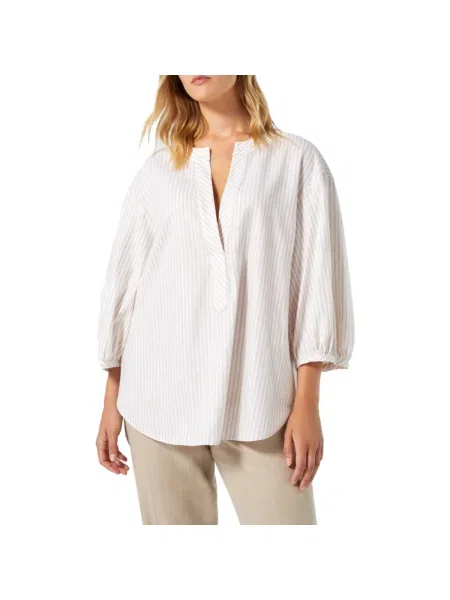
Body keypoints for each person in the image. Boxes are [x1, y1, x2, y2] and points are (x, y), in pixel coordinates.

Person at [95, 75, 355, 525]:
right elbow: (126, 286)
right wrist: (111, 400)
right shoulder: (158, 171)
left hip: (259, 397)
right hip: (157, 400)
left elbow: (317, 280)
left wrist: (308, 401)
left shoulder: (295, 161)